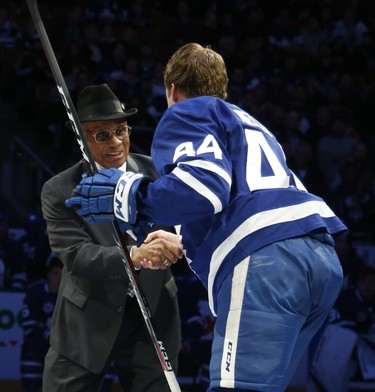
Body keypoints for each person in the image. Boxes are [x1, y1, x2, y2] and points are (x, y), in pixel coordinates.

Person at [67, 43, 347, 392]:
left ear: (172, 90)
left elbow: (205, 188)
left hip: (266, 263)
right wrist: (186, 242)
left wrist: (132, 195)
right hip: (319, 260)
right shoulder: (250, 124)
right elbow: (248, 197)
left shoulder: (187, 113)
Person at [40, 83, 183, 392]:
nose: (117, 142)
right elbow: (77, 256)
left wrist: (175, 243)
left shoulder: (159, 173)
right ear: (81, 137)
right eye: (102, 135)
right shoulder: (59, 190)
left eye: (122, 130)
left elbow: (187, 227)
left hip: (154, 318)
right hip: (87, 320)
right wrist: (135, 255)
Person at [20, 253, 62, 392]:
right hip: (36, 351)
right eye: (56, 273)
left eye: (63, 274)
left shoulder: (71, 296)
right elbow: (30, 327)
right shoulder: (35, 292)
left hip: (61, 354)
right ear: (48, 274)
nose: (60, 278)